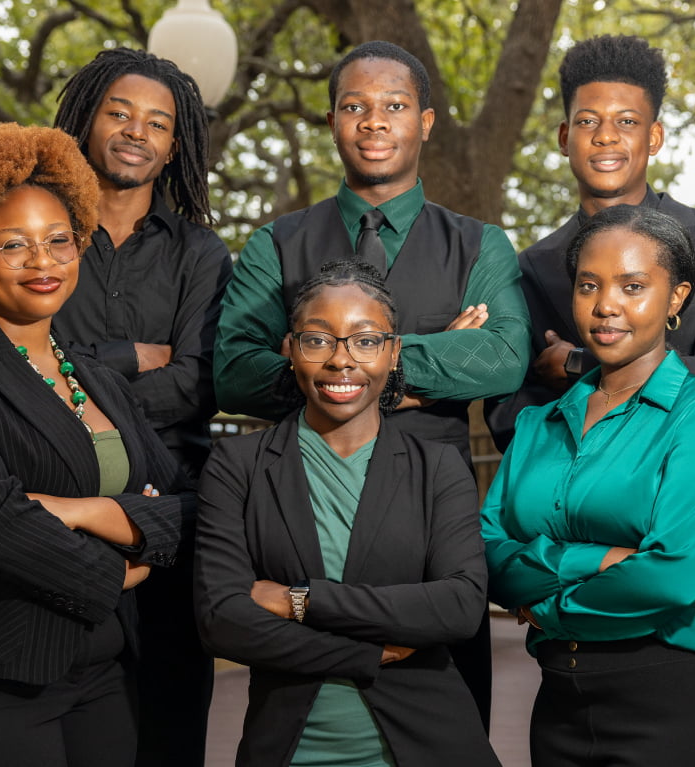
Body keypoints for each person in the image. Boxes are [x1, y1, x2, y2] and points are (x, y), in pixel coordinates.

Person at [485, 34, 695, 761]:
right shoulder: (533, 266)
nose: (607, 136)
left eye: (627, 122)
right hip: (577, 530)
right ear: (564, 135)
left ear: (655, 135)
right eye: (589, 121)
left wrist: (578, 365)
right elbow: (513, 412)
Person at [213, 39, 531, 726]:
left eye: (394, 106)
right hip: (302, 507)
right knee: (299, 704)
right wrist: (433, 355)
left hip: (429, 515)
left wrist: (333, 361)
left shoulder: (482, 245)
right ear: (332, 121)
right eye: (355, 106)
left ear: (427, 121)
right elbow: (234, 369)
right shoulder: (277, 242)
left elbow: (505, 355)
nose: (374, 121)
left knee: (446, 707)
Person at [0, 123, 196, 765]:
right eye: (13, 245)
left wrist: (81, 511)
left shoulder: (96, 377)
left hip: (102, 672)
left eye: (59, 241)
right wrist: (119, 571)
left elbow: (185, 503)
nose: (43, 262)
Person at [482, 204, 695, 766]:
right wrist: (599, 561)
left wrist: (548, 608)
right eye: (588, 285)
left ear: (677, 299)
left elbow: (674, 578)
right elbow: (489, 554)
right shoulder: (537, 424)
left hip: (688, 695)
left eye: (633, 285)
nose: (605, 305)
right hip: (564, 706)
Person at [196, 260, 501, 767]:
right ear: (290, 350)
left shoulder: (438, 467)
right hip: (289, 747)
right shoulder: (239, 465)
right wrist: (369, 651)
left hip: (430, 743)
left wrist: (301, 600)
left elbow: (460, 605)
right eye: (318, 340)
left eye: (365, 340)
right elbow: (223, 620)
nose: (342, 361)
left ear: (394, 351)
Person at [50, 48, 232, 765]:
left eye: (156, 123)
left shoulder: (201, 253)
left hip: (172, 507)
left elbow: (196, 381)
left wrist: (80, 370)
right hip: (59, 499)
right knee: (64, 713)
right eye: (119, 112)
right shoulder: (42, 239)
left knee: (168, 716)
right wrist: (134, 355)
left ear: (173, 148)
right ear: (88, 121)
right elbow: (22, 369)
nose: (136, 131)